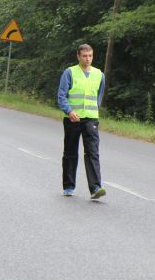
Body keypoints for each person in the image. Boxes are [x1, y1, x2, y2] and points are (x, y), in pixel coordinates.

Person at [57, 43, 106, 199]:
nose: (87, 59)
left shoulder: (99, 74)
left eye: (90, 56)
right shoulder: (69, 72)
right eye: (84, 56)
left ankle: (96, 187)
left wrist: (95, 109)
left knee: (92, 152)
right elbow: (61, 95)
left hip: (91, 118)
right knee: (71, 152)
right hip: (73, 118)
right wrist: (69, 111)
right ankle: (69, 186)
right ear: (78, 56)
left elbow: (99, 95)